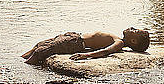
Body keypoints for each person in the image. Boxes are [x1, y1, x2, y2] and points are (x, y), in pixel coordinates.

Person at [21, 28, 150, 65]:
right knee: (39, 45)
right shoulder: (119, 40)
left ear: (133, 40)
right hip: (74, 36)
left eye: (134, 30)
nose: (131, 28)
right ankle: (20, 62)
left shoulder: (119, 43)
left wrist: (86, 55)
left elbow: (105, 52)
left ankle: (24, 70)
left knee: (40, 52)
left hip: (74, 43)